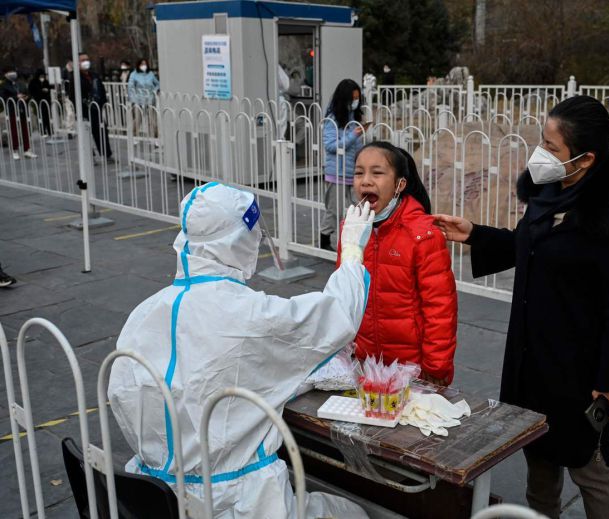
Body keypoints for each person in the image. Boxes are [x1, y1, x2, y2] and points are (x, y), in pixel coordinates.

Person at [435, 96, 609, 519]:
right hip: (532, 360)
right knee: (539, 462)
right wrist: (476, 234)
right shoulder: (548, 195)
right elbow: (529, 245)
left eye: (551, 147)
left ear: (585, 159)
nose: (540, 154)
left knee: (591, 470)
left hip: (581, 371)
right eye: (542, 142)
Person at [108, 182, 374, 519]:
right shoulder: (249, 315)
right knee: (353, 513)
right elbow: (334, 316)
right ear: (237, 241)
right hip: (240, 502)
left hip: (153, 498)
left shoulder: (143, 315)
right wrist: (351, 251)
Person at [336, 142, 458, 385]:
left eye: (377, 173)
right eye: (359, 173)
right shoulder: (350, 230)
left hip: (412, 368)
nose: (366, 180)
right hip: (364, 362)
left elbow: (440, 308)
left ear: (400, 184)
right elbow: (343, 293)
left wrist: (436, 368)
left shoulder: (423, 235)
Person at [321, 78, 367, 251]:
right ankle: (324, 239)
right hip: (337, 172)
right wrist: (353, 135)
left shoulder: (355, 117)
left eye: (357, 98)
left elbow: (357, 146)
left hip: (353, 171)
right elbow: (331, 146)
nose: (355, 102)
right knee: (333, 209)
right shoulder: (332, 119)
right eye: (352, 99)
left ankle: (354, 241)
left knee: (358, 207)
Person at [69, 52, 114, 163]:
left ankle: (107, 155)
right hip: (84, 110)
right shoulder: (74, 77)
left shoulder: (94, 75)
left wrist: (102, 103)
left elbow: (101, 90)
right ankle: (90, 157)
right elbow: (72, 95)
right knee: (86, 134)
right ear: (77, 63)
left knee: (101, 132)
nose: (85, 62)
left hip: (96, 109)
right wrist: (81, 105)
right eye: (83, 60)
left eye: (87, 59)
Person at [0, 67, 37, 160]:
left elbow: (27, 93)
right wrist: (16, 97)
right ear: (5, 74)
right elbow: (4, 98)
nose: (12, 73)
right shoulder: (3, 85)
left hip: (22, 109)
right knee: (14, 131)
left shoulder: (20, 83)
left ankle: (27, 150)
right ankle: (14, 150)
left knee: (25, 130)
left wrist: (26, 97)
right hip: (12, 110)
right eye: (9, 72)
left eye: (13, 71)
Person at [127, 58, 160, 138]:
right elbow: (130, 87)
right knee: (138, 120)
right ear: (138, 65)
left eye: (145, 64)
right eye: (142, 64)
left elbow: (157, 84)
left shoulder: (150, 74)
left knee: (152, 121)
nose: (144, 66)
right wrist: (134, 99)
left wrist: (154, 91)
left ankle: (154, 138)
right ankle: (134, 136)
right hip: (138, 101)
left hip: (150, 100)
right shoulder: (134, 74)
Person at [28, 69, 52, 136]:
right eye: (41, 76)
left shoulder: (45, 81)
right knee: (41, 116)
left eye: (43, 76)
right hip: (38, 101)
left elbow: (50, 87)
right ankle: (42, 131)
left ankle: (50, 130)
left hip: (46, 100)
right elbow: (32, 91)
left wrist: (47, 90)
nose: (42, 77)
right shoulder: (33, 82)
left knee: (48, 116)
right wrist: (41, 91)